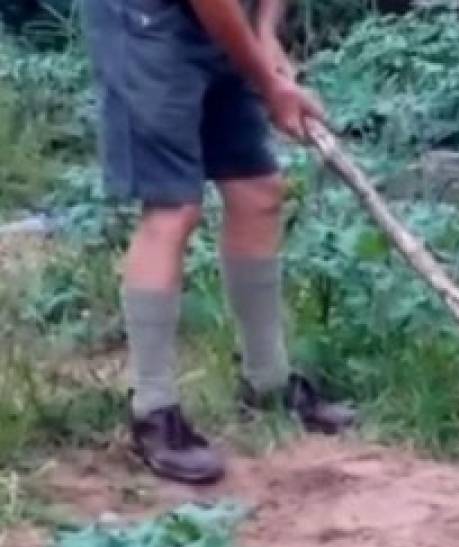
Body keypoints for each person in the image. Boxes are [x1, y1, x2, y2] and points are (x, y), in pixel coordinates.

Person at [80, 0, 356, 485]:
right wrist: (269, 83)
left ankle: (266, 382)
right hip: (145, 23)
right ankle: (154, 410)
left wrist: (265, 33)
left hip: (224, 17)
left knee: (257, 191)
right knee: (173, 208)